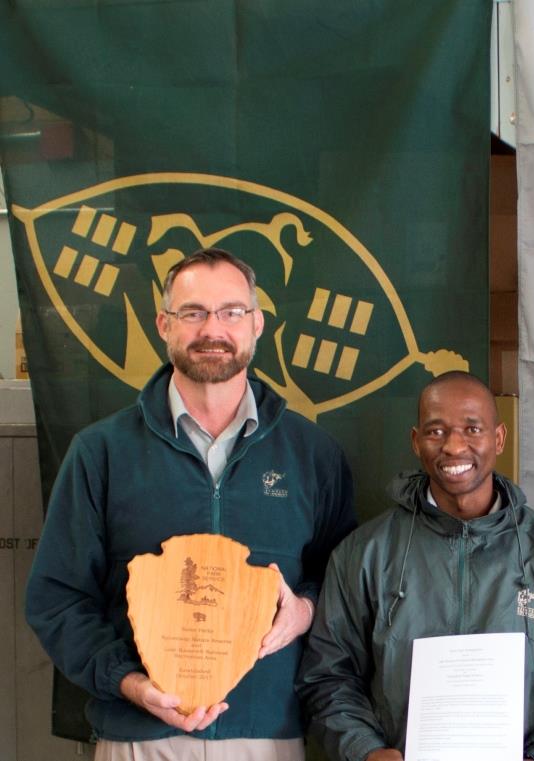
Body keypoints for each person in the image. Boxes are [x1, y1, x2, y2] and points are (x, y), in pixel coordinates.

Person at [26, 248, 356, 761]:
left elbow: (344, 582)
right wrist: (131, 684)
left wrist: (305, 610)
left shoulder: (313, 454)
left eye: (231, 311)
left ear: (257, 324)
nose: (213, 329)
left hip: (266, 736)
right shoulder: (101, 452)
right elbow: (57, 598)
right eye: (193, 312)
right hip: (139, 737)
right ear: (164, 324)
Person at [298, 371, 534, 761]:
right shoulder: (363, 555)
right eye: (436, 431)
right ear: (416, 442)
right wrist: (367, 752)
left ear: (498, 438)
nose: (453, 446)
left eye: (471, 428)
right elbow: (328, 676)